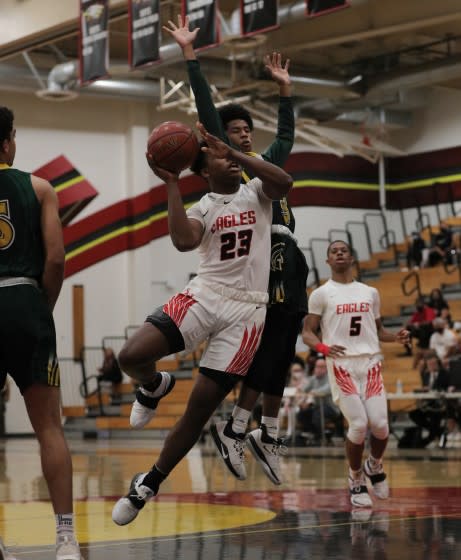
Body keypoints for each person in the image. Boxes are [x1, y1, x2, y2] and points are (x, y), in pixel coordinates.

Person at [111, 123, 293, 526]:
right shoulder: (203, 208)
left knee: (197, 412)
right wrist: (172, 184)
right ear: (205, 170)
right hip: (205, 294)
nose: (232, 161)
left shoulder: (257, 192)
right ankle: (153, 384)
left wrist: (236, 153)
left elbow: (285, 181)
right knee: (130, 355)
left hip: (247, 314)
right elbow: (182, 241)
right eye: (222, 158)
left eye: (234, 156)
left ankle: (149, 483)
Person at [163, 16, 309, 485]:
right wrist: (190, 55)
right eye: (236, 131)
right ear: (222, 140)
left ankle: (261, 430)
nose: (245, 135)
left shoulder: (263, 165)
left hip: (290, 259)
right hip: (258, 267)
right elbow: (207, 109)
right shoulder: (230, 170)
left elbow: (285, 139)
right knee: (271, 340)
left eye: (248, 129)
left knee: (286, 343)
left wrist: (285, 92)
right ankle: (239, 426)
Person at [0, 107, 83, 559]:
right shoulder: (39, 187)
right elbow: (55, 259)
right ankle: (65, 539)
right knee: (49, 428)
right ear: (8, 142)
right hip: (26, 301)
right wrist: (40, 308)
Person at [302, 240, 410, 508]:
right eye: (334, 251)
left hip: (370, 362)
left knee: (382, 425)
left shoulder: (370, 292)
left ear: (352, 258)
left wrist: (395, 337)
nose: (339, 253)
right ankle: (355, 477)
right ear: (328, 261)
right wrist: (323, 347)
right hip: (341, 363)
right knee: (359, 425)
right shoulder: (321, 293)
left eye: (344, 250)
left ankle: (374, 465)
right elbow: (307, 332)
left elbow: (378, 331)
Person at [408, 353, 451, 447]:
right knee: (413, 414)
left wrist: (434, 390)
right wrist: (423, 390)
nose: (431, 366)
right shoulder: (425, 374)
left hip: (440, 405)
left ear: (438, 363)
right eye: (429, 364)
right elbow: (425, 388)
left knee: (435, 416)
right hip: (428, 404)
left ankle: (429, 438)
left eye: (433, 364)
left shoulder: (445, 374)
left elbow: (446, 388)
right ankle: (437, 433)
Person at [296, 358, 342, 444]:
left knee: (317, 414)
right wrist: (300, 390)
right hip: (318, 407)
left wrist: (313, 392)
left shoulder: (331, 378)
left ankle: (321, 438)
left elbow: (326, 390)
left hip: (332, 408)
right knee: (302, 414)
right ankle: (315, 434)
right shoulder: (313, 379)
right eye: (317, 366)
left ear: (326, 368)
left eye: (321, 367)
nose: (318, 369)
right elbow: (303, 389)